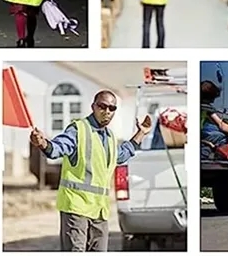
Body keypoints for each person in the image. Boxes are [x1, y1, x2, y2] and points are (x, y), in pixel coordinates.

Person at [30, 90, 153, 251]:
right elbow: (56, 149)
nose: (107, 111)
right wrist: (43, 143)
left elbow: (120, 156)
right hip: (76, 208)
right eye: (102, 106)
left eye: (112, 108)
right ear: (93, 107)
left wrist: (140, 134)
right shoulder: (78, 129)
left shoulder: (109, 136)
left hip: (99, 211)